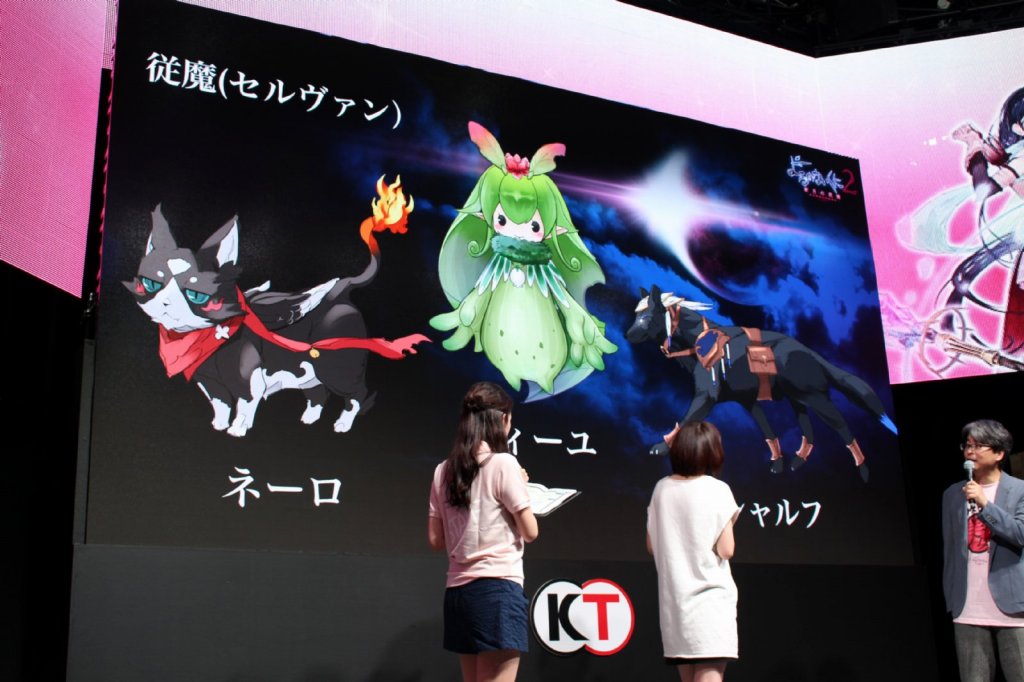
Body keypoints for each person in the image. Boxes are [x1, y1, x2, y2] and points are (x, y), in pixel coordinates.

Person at [428, 381, 539, 682]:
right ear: (502, 419)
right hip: (497, 591)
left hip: (458, 595)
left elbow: (435, 540)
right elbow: (530, 531)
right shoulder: (504, 464)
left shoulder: (443, 470)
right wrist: (521, 488)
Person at [646, 421, 740, 682]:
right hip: (710, 602)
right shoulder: (718, 489)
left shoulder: (662, 489)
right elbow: (726, 549)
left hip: (675, 607)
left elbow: (652, 545)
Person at [942, 419, 1024, 682]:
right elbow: (951, 549)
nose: (970, 452)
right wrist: (951, 594)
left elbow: (1019, 534)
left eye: (978, 446)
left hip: (1013, 606)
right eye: (967, 446)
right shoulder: (953, 494)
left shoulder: (1020, 490)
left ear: (999, 453)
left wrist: (984, 503)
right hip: (968, 605)